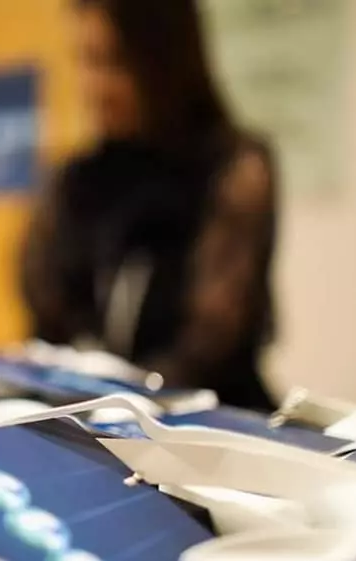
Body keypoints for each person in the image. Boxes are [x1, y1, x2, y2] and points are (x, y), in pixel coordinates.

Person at [20, 0, 277, 410]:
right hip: (95, 409)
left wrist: (117, 395)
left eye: (114, 62)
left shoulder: (233, 169)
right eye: (85, 60)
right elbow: (44, 307)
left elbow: (210, 344)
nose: (94, 87)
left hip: (207, 417)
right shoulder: (79, 177)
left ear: (165, 60)